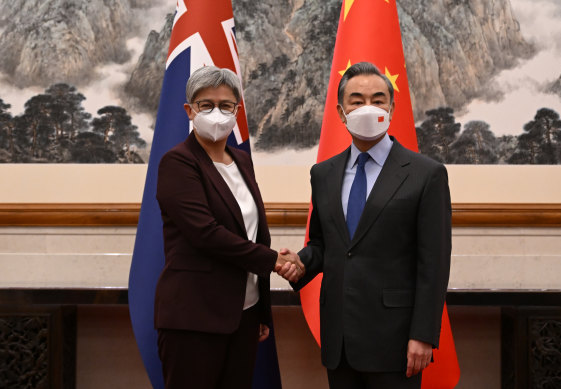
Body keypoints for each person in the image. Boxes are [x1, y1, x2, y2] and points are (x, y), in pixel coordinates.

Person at [280, 62, 452, 389]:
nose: (368, 107)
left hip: (397, 341)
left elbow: (434, 262)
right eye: (357, 101)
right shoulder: (323, 174)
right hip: (340, 340)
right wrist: (300, 263)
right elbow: (324, 243)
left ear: (392, 108)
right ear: (341, 112)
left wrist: (423, 335)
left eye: (378, 99)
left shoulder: (426, 174)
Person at [155, 65, 304, 389]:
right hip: (194, 317)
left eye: (226, 105)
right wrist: (275, 261)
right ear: (189, 110)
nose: (216, 113)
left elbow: (252, 232)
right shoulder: (177, 162)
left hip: (244, 314)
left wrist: (260, 310)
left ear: (238, 110)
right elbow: (205, 234)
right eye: (206, 105)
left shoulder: (241, 161)